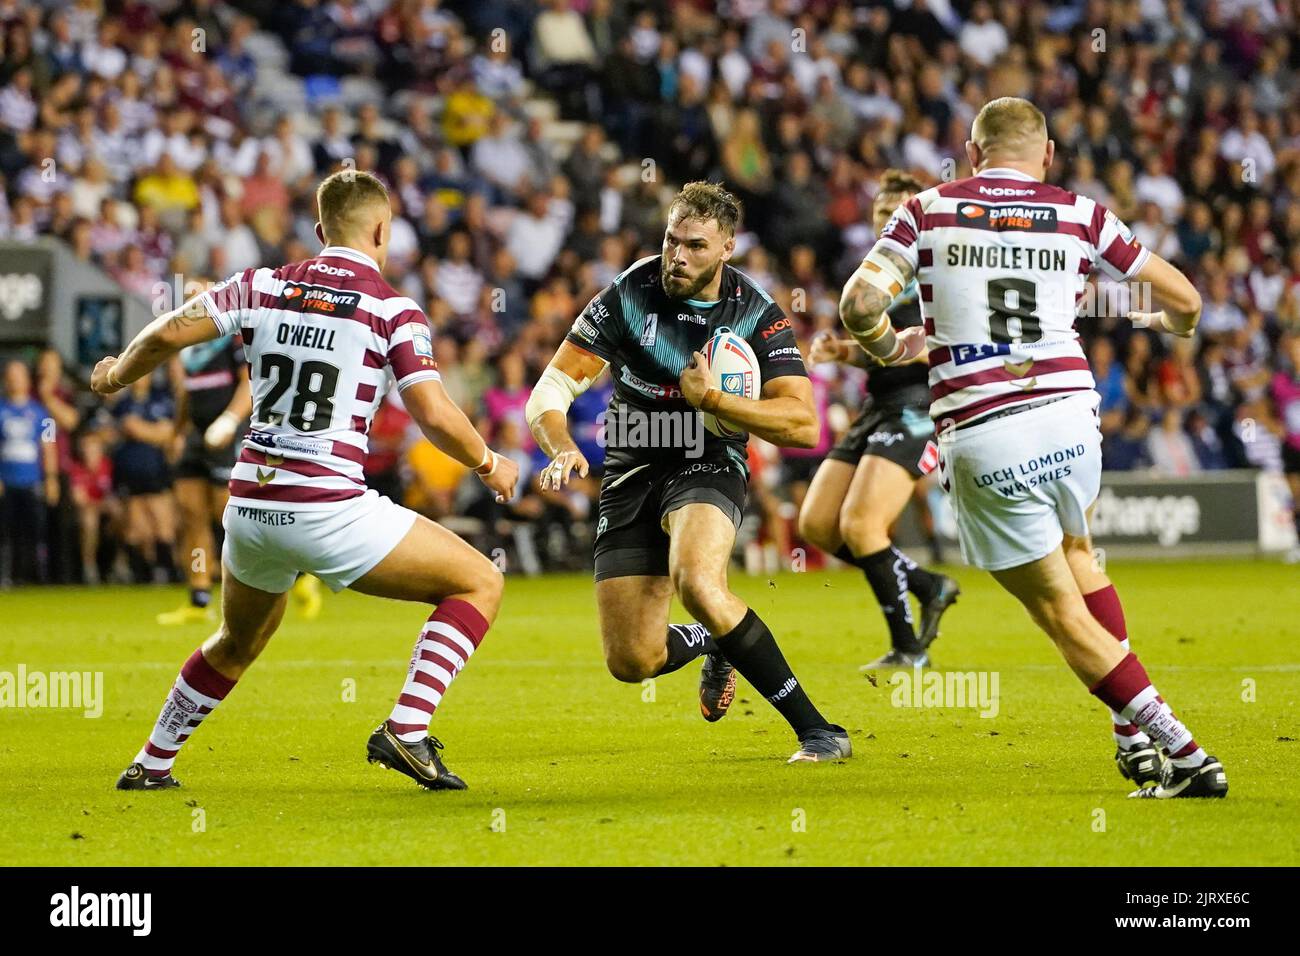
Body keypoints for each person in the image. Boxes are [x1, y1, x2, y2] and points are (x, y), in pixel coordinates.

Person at [839, 97, 1227, 799]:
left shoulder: (927, 209)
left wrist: (886, 346)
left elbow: (859, 306)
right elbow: (1188, 299)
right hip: (1073, 419)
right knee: (1081, 559)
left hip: (987, 430)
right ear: (1045, 154)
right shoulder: (1079, 212)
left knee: (1058, 612)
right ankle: (1131, 740)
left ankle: (1186, 752)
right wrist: (1174, 326)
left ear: (971, 149)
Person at [92, 170, 518, 792]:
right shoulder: (391, 308)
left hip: (250, 504)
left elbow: (166, 332)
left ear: (320, 231)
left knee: (236, 641)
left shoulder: (261, 284)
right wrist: (487, 460)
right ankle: (407, 728)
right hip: (327, 505)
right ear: (382, 230)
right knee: (480, 582)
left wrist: (113, 378)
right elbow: (431, 411)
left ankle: (151, 763)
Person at [526, 181, 851, 763]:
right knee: (632, 661)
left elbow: (804, 426)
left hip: (707, 459)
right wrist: (558, 446)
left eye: (696, 246)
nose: (678, 256)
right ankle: (713, 639)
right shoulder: (629, 293)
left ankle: (819, 731)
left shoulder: (755, 313)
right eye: (672, 240)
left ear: (727, 247)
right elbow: (550, 388)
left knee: (698, 582)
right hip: (631, 462)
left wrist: (719, 404)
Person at [800, 169, 960, 668]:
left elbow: (942, 346)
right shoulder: (875, 276)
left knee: (862, 525)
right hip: (878, 405)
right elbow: (881, 353)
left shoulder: (940, 272)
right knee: (818, 526)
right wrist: (841, 351)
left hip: (921, 408)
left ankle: (908, 649)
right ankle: (928, 584)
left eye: (896, 214)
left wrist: (895, 347)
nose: (886, 222)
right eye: (879, 215)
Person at [155, 333, 254, 624]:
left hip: (226, 434)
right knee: (191, 513)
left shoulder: (234, 337)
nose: (189, 297)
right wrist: (177, 432)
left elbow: (249, 383)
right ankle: (199, 600)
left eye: (195, 289)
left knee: (229, 515)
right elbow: (186, 391)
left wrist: (230, 422)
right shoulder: (190, 344)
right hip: (196, 437)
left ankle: (293, 574)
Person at [0, 359, 59, 586]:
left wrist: (51, 479)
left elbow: (49, 447)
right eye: (11, 374)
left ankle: (38, 577)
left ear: (27, 379)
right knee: (6, 533)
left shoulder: (41, 412)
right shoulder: (2, 409)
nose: (15, 379)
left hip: (32, 480)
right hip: (7, 481)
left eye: (19, 374)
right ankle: (7, 576)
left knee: (36, 532)